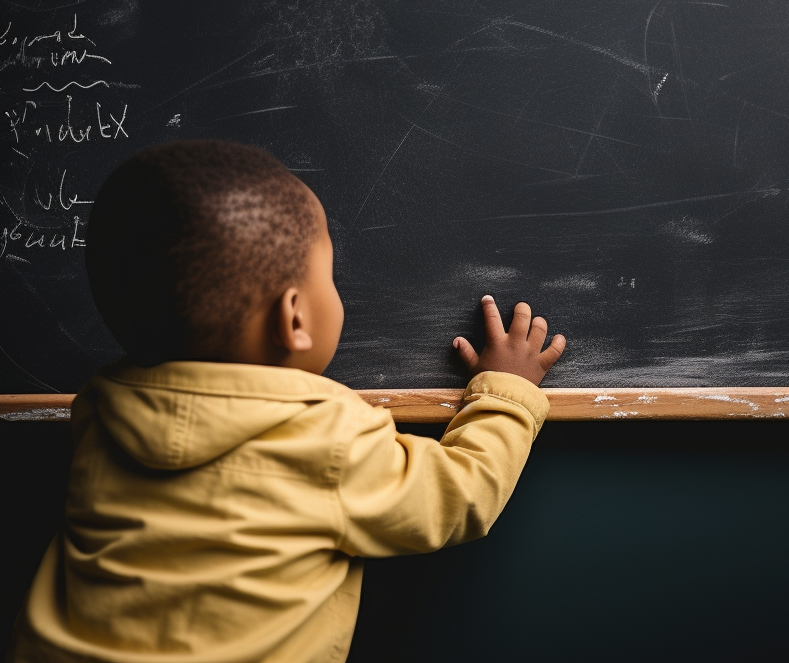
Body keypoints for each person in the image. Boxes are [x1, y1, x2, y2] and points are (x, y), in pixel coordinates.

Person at [7, 140, 566, 663]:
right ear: (294, 317)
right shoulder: (329, 438)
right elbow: (461, 494)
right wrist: (507, 388)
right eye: (328, 275)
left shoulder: (101, 414)